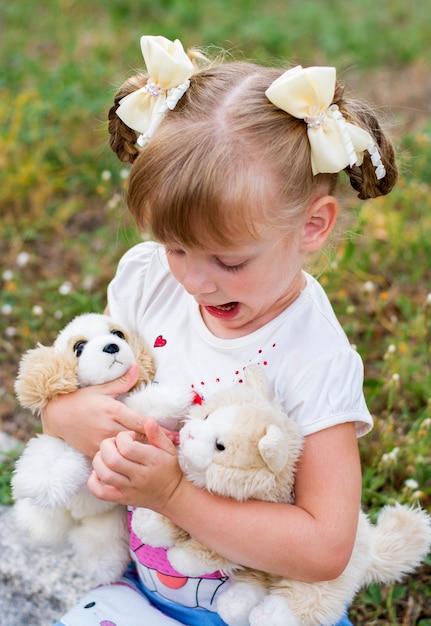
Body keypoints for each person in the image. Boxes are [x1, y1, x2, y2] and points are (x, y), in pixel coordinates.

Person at [43, 35, 398, 626]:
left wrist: (175, 497)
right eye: (175, 247)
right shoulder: (148, 279)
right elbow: (92, 379)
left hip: (262, 608)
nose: (195, 283)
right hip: (146, 587)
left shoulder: (314, 356)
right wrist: (64, 416)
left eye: (229, 262)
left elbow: (325, 548)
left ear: (313, 226)